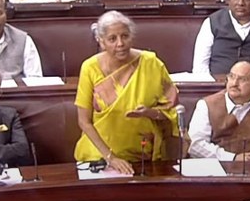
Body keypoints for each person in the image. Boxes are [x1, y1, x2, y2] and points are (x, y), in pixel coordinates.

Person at [74, 11, 180, 173]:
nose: (120, 43)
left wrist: (150, 113)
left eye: (125, 36)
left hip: (143, 153)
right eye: (112, 39)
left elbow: (173, 111)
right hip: (98, 154)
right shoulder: (89, 68)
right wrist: (111, 158)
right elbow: (84, 121)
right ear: (101, 42)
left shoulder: (151, 63)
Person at [188, 58, 250, 161]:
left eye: (242, 79)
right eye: (231, 76)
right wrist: (233, 158)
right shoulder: (205, 105)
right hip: (215, 170)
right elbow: (195, 145)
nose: (234, 83)